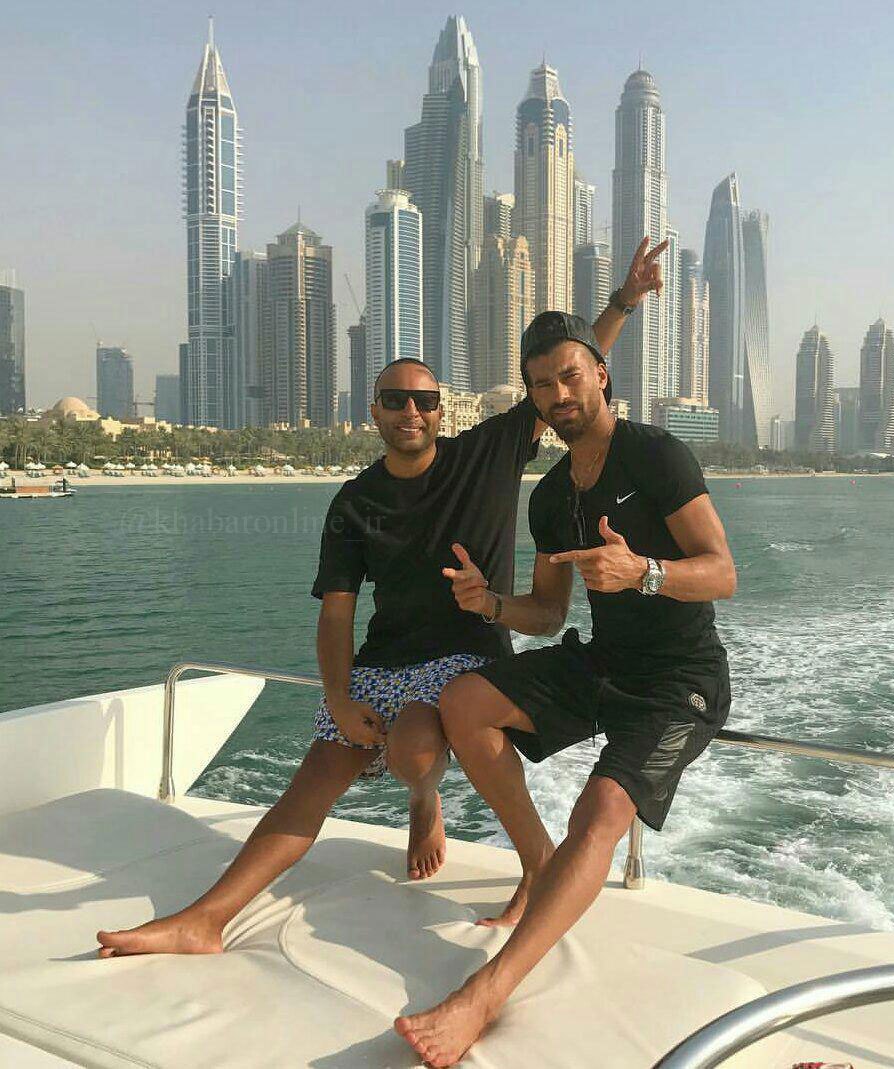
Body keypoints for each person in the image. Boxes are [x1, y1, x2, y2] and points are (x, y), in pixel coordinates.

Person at [95, 240, 666, 959]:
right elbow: (336, 612)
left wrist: (623, 302)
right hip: (384, 661)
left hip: (465, 656)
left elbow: (567, 375)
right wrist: (338, 695)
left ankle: (449, 813)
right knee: (313, 781)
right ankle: (205, 919)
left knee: (414, 749)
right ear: (375, 412)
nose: (410, 411)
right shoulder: (354, 502)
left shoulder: (487, 453)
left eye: (424, 400)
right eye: (395, 400)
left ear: (440, 411)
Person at [396, 310, 737, 1067]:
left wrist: (644, 572)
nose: (558, 393)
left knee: (601, 808)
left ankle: (486, 993)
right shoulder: (550, 497)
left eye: (570, 375)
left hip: (679, 679)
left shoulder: (655, 455)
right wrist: (489, 603)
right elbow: (548, 615)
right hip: (603, 663)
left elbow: (723, 571)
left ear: (601, 375)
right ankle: (538, 863)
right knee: (464, 702)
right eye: (542, 384)